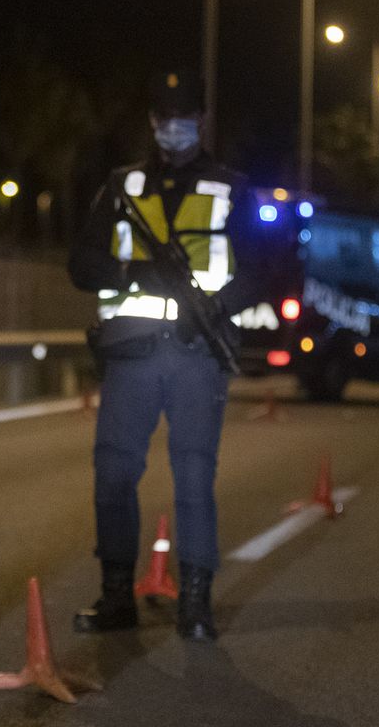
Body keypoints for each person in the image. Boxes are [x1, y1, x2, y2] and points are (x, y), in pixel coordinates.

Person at [66, 69, 261, 641]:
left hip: (198, 352)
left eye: (185, 120)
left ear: (200, 123)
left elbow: (262, 269)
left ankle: (195, 603)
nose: (174, 129)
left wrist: (218, 306)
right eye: (164, 120)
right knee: (114, 473)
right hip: (131, 351)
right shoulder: (123, 185)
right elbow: (81, 265)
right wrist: (134, 271)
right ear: (153, 123)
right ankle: (115, 595)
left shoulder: (232, 188)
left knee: (194, 476)